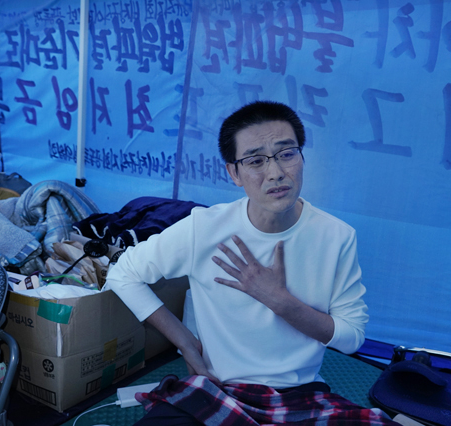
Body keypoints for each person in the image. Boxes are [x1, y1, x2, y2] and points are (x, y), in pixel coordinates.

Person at [105, 101, 396, 425]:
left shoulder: (336, 236)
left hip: (300, 393)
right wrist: (186, 343)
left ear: (302, 157)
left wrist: (280, 301)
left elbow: (352, 336)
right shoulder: (205, 228)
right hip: (218, 388)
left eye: (287, 154)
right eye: (256, 161)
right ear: (234, 173)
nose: (276, 172)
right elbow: (123, 273)